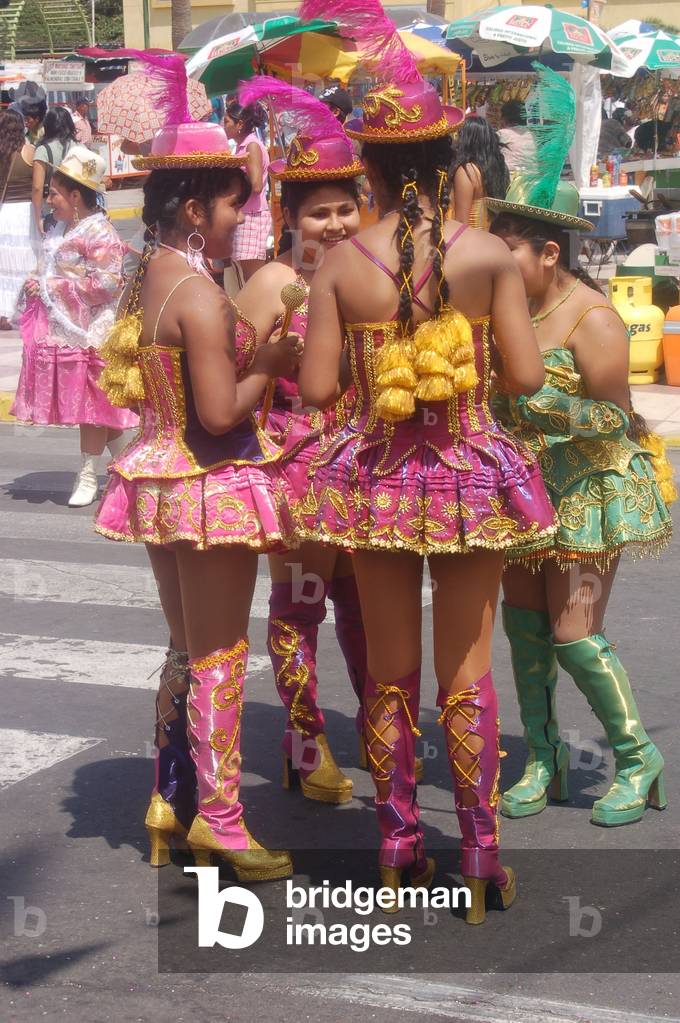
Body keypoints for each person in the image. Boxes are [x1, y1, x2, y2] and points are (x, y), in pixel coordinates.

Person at [298, 0, 556, 925]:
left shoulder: (341, 263)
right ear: (452, 167)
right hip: (469, 478)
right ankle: (480, 850)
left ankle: (399, 842)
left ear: (365, 170)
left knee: (391, 673)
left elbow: (322, 391)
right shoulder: (490, 255)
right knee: (466, 671)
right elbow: (524, 376)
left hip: (374, 484)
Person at [94, 77, 299, 880]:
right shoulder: (202, 299)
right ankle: (220, 819)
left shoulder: (149, 280)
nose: (237, 219)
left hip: (158, 476)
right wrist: (274, 363)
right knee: (219, 654)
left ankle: (168, 799)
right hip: (209, 482)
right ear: (192, 211)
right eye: (227, 206)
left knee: (184, 648)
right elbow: (219, 414)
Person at [487, 65, 672, 830]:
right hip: (526, 490)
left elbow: (619, 422)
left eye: (511, 251)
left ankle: (637, 757)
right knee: (525, 629)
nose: (499, 262)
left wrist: (542, 402)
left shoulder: (592, 319)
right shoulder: (507, 308)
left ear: (549, 254)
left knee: (574, 635)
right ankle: (543, 756)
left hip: (591, 491)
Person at [233, 77, 375, 805]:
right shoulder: (274, 284)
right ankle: (305, 740)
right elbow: (232, 374)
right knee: (301, 606)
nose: (336, 224)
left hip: (365, 469)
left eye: (347, 207)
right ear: (289, 219)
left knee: (360, 608)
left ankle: (376, 733)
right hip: (299, 472)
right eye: (319, 213)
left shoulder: (368, 279)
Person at [10, 145, 137, 507]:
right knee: (93, 407)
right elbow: (51, 266)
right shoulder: (64, 228)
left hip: (91, 332)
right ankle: (131, 464)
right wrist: (37, 281)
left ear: (76, 195)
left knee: (91, 407)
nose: (49, 199)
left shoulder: (100, 233)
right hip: (66, 329)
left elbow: (108, 284)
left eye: (54, 193)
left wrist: (52, 287)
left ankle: (87, 474)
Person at [224, 100, 272, 279]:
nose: (224, 126)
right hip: (246, 215)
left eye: (227, 122)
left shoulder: (251, 146)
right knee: (245, 275)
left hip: (252, 216)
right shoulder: (243, 145)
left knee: (253, 275)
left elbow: (256, 185)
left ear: (240, 124)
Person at [0, 109, 36, 331]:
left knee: (4, 268)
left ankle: (2, 313)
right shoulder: (29, 151)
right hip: (25, 214)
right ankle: (24, 310)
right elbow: (38, 185)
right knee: (25, 265)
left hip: (4, 214)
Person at [451, 114, 509, 230]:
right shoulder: (499, 167)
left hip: (472, 239)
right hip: (491, 237)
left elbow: (461, 220)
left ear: (467, 140)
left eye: (460, 136)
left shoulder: (467, 171)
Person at [32, 106, 77, 235]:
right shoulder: (80, 147)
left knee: (53, 248)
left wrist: (38, 218)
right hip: (75, 207)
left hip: (52, 208)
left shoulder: (43, 150)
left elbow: (37, 187)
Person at [497, 99, 535, 175]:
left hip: (510, 181)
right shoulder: (533, 135)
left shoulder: (502, 134)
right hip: (533, 180)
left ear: (504, 118)